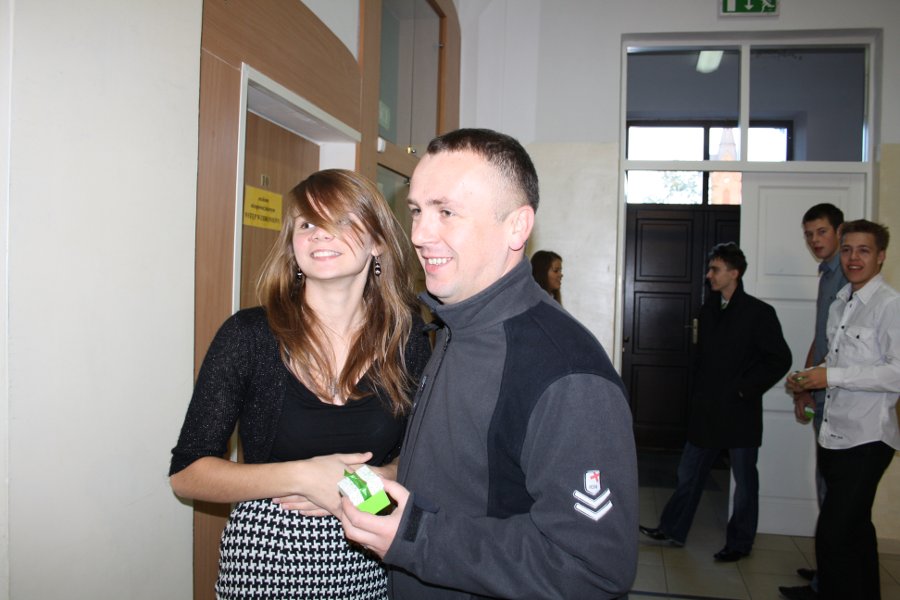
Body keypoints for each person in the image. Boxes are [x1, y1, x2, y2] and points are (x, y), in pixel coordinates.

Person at [339, 128, 639, 599]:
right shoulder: (453, 328)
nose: (419, 235)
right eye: (416, 211)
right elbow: (478, 480)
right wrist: (392, 480)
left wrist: (417, 536)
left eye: (446, 212)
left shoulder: (566, 372)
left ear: (517, 226)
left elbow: (593, 568)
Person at [168, 169, 431, 600]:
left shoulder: (409, 341)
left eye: (341, 220)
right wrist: (304, 476)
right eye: (307, 224)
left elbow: (427, 456)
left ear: (378, 242)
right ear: (292, 245)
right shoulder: (248, 336)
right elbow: (187, 474)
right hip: (265, 564)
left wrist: (376, 477)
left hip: (370, 555)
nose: (320, 234)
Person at [640, 242, 792, 562]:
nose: (709, 275)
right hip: (707, 411)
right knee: (689, 472)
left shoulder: (759, 313)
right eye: (710, 269)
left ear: (734, 273)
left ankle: (740, 543)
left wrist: (743, 389)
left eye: (715, 269)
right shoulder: (708, 310)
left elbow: (779, 359)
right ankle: (672, 528)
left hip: (740, 412)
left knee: (745, 482)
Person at [786, 219, 900, 600]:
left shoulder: (890, 305)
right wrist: (808, 379)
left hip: (868, 439)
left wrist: (830, 376)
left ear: (880, 257)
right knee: (856, 532)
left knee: (833, 535)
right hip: (833, 434)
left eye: (864, 250)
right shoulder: (840, 303)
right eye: (848, 249)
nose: (853, 258)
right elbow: (835, 361)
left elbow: (896, 373)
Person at [779, 203, 846, 600]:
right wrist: (804, 385)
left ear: (839, 231)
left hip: (843, 400)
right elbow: (821, 338)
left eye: (821, 232)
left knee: (836, 498)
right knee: (826, 492)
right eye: (809, 234)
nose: (815, 240)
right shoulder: (826, 276)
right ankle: (826, 571)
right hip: (822, 396)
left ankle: (829, 584)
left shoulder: (848, 275)